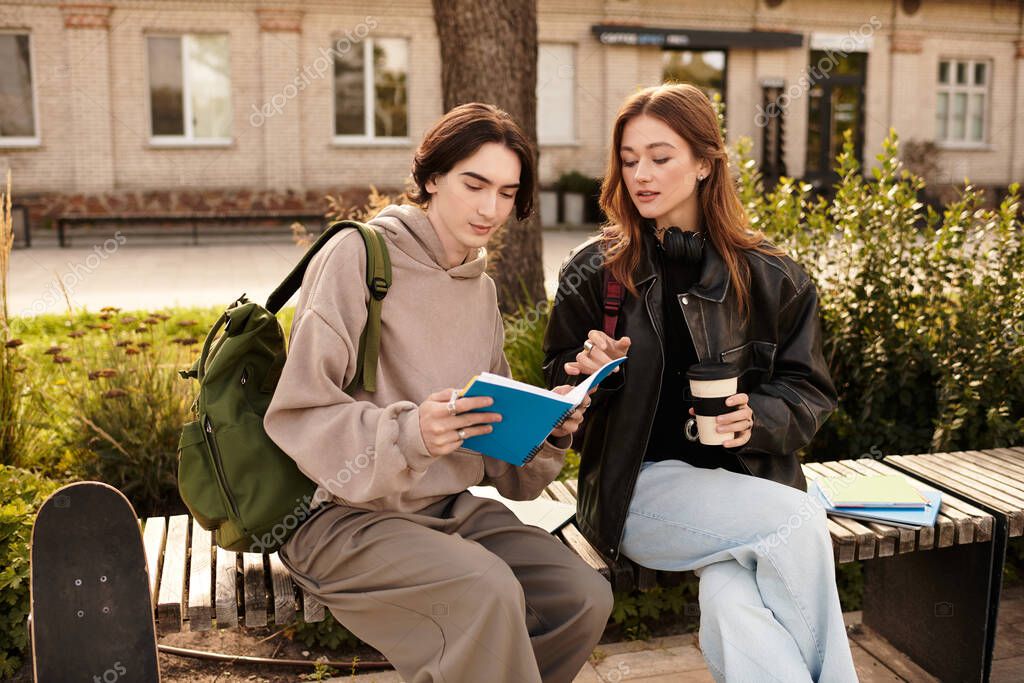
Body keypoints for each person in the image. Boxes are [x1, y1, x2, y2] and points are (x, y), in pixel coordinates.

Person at [265, 102, 613, 683]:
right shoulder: (357, 256)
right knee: (487, 590)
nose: (489, 208)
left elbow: (499, 460)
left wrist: (549, 424)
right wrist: (411, 434)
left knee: (580, 595)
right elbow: (299, 412)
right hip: (340, 518)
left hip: (444, 510)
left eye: (507, 193)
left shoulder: (480, 291)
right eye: (473, 184)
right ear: (431, 178)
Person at [542, 84, 858, 682]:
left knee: (734, 606)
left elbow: (809, 390)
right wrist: (589, 372)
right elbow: (553, 383)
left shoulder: (773, 277)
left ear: (705, 163)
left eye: (661, 157)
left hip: (748, 488)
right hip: (637, 493)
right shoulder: (594, 270)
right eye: (630, 159)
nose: (642, 174)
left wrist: (756, 419)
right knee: (795, 521)